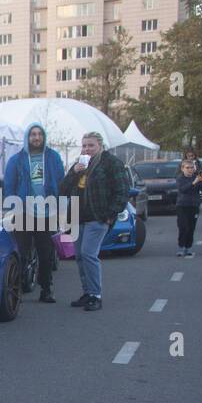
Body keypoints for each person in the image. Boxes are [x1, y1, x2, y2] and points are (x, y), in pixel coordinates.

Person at [59, 132, 128, 312]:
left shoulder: (110, 163)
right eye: (84, 145)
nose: (87, 149)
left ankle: (96, 295)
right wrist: (74, 173)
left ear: (100, 146)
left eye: (91, 145)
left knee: (88, 254)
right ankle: (87, 292)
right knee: (80, 256)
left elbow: (121, 191)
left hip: (97, 217)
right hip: (77, 217)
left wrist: (109, 214)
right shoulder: (79, 164)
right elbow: (63, 190)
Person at [2, 122, 65, 302]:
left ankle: (46, 289)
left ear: (43, 137)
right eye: (33, 134)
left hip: (47, 213)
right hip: (24, 212)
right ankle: (18, 290)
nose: (36, 138)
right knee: (21, 252)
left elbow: (61, 182)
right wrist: (15, 206)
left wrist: (61, 206)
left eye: (39, 134)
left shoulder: (53, 157)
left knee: (46, 254)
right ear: (27, 137)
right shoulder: (17, 159)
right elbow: (9, 186)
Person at [175, 159, 202, 258]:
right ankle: (181, 247)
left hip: (194, 206)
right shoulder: (180, 178)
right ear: (182, 168)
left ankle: (188, 247)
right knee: (183, 227)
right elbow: (183, 189)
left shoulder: (197, 178)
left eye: (192, 168)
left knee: (191, 228)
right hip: (182, 206)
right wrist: (194, 182)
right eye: (187, 168)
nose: (190, 170)